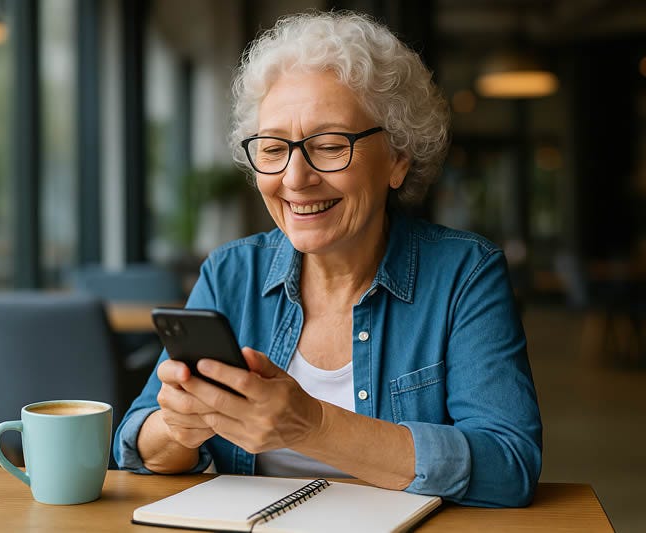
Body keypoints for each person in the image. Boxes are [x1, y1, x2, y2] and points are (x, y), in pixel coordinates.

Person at [114, 10, 542, 507]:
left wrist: (314, 425)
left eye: (330, 145)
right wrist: (178, 427)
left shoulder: (465, 274)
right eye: (273, 149)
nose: (295, 178)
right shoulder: (231, 273)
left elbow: (510, 466)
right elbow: (137, 444)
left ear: (398, 159)